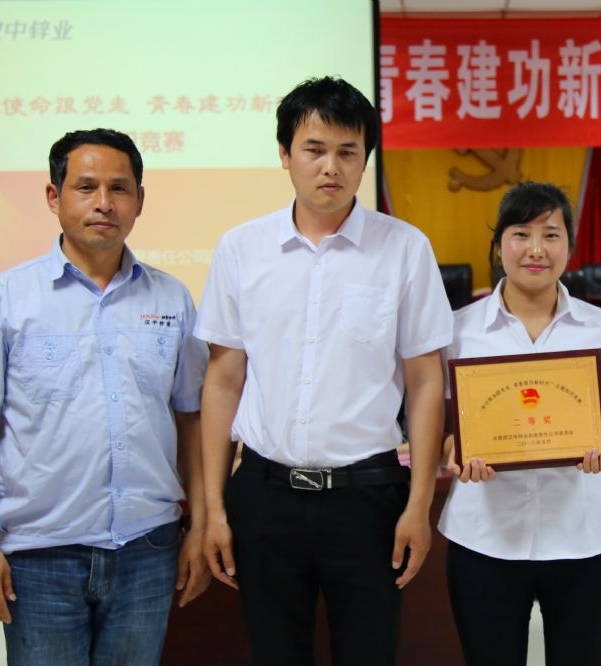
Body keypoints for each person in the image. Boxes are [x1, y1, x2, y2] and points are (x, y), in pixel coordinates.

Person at [196, 76, 452, 666]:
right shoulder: (241, 248)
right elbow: (223, 380)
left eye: (347, 151)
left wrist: (417, 506)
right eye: (313, 149)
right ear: (284, 155)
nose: (330, 167)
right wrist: (213, 508)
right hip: (265, 496)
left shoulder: (405, 248)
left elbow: (424, 382)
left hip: (367, 499)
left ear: (365, 160)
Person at [0, 128, 210, 665]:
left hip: (147, 550)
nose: (104, 203)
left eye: (119, 188)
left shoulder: (172, 298)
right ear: (54, 196)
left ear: (139, 200)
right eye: (86, 187)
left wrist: (201, 526)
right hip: (40, 556)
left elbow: (192, 420)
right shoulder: (6, 298)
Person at [438, 182, 601, 666]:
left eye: (551, 235)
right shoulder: (457, 330)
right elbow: (443, 435)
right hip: (484, 540)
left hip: (584, 541)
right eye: (520, 233)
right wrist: (455, 453)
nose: (535, 249)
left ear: (569, 246)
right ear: (498, 246)